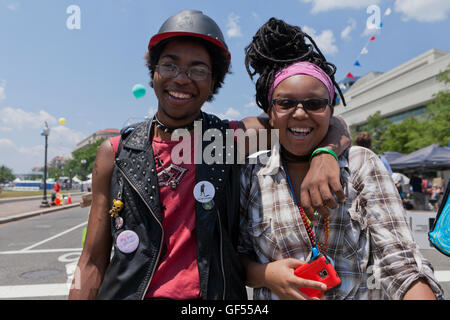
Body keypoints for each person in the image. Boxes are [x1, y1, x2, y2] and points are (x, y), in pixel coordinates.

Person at [68, 10, 350, 300]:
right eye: (169, 65)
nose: (181, 79)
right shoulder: (116, 152)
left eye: (198, 70)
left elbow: (314, 122)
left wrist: (326, 154)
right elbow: (91, 262)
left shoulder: (228, 140)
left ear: (214, 83)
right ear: (153, 73)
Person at [238, 17, 444, 300]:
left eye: (315, 104)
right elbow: (234, 257)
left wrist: (326, 153)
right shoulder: (251, 173)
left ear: (331, 111)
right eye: (285, 103)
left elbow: (400, 263)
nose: (300, 113)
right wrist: (266, 275)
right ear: (269, 112)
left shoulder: (361, 164)